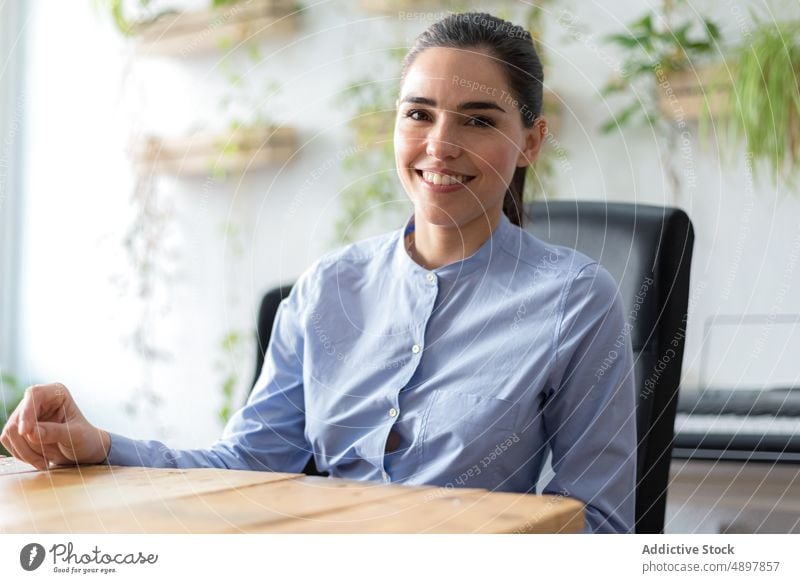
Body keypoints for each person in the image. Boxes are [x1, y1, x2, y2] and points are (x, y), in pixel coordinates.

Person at [0, 12, 637, 533]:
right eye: (418, 113)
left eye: (478, 119)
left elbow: (602, 526)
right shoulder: (329, 286)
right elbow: (248, 465)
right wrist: (100, 445)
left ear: (530, 141)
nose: (441, 143)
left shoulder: (574, 300)